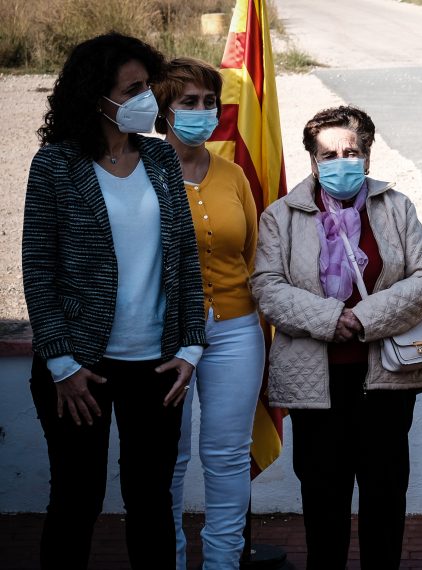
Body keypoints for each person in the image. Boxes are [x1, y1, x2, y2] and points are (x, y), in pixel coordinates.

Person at [22, 33, 206, 568]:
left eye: (148, 85)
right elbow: (39, 268)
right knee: (76, 501)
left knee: (151, 502)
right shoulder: (55, 166)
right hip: (81, 368)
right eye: (134, 90)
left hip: (158, 365)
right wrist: (61, 363)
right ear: (96, 96)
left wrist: (191, 347)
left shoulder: (160, 158)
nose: (148, 98)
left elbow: (184, 260)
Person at [251, 105, 422, 569]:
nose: (341, 160)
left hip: (387, 380)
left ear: (368, 156)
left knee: (385, 495)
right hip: (314, 386)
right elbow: (267, 287)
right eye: (329, 153)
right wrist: (331, 318)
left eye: (351, 151)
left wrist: (364, 318)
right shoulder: (283, 216)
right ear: (313, 161)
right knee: (322, 500)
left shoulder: (396, 207)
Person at [152, 57, 264, 570]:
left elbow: (254, 256)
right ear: (162, 111)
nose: (202, 112)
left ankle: (223, 563)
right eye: (188, 103)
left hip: (237, 331)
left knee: (227, 457)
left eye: (208, 102)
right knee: (167, 461)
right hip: (165, 336)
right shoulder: (143, 173)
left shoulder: (234, 174)